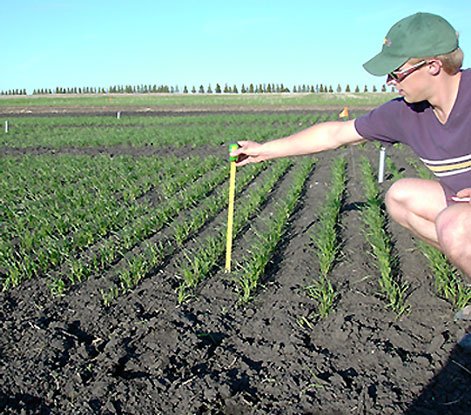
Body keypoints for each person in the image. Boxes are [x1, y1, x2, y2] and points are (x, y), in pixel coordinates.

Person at [230, 12, 471, 318]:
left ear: (433, 66)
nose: (389, 82)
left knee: (457, 225)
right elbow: (337, 133)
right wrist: (264, 151)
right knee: (401, 197)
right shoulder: (406, 113)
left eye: (396, 72)